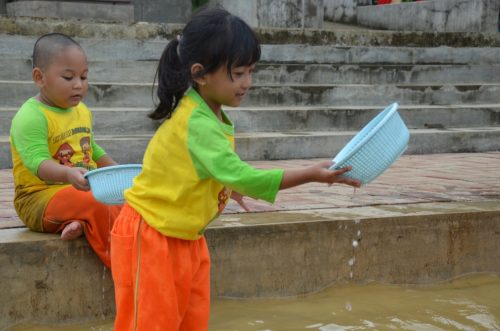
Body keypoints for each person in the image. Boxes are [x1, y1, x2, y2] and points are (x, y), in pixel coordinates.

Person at [110, 7, 361, 331]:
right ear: (200, 74)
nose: (247, 83)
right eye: (238, 73)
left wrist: (228, 187)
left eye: (250, 72)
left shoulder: (210, 114)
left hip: (185, 236)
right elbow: (240, 172)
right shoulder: (197, 122)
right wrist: (310, 173)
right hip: (152, 235)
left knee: (190, 321)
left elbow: (207, 169)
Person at [9, 33, 121, 268]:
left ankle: (80, 223)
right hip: (38, 199)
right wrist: (67, 174)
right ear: (40, 78)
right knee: (98, 202)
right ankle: (124, 265)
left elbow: (92, 147)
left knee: (128, 198)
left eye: (84, 76)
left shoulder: (81, 110)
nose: (78, 84)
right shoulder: (31, 116)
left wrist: (118, 171)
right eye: (68, 77)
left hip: (78, 191)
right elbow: (37, 163)